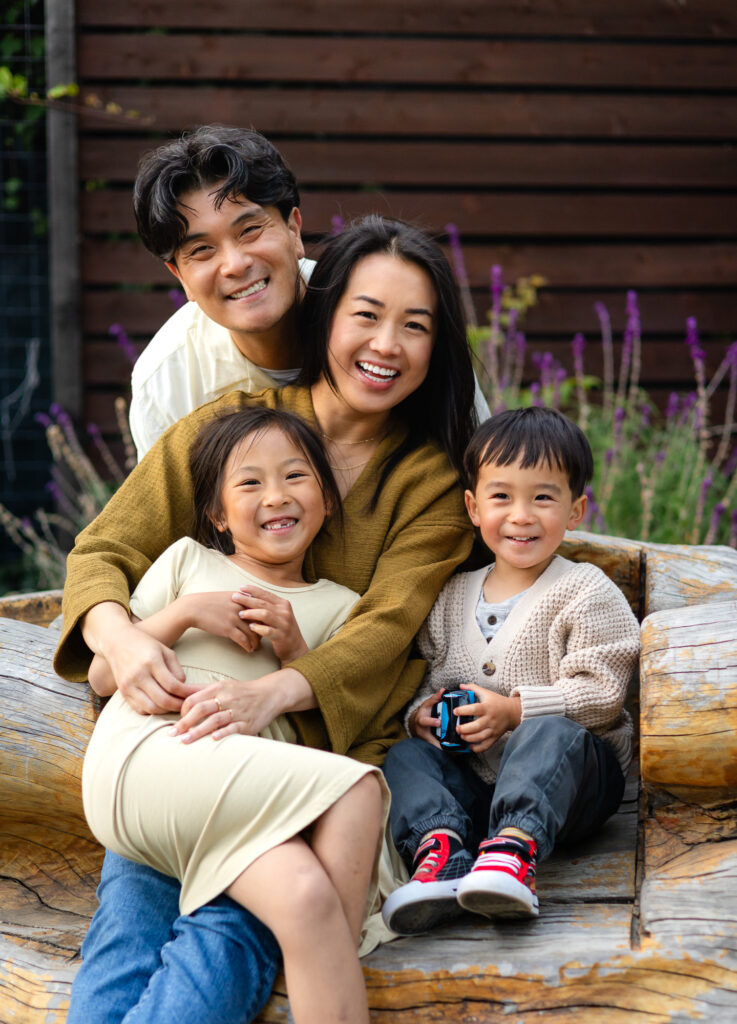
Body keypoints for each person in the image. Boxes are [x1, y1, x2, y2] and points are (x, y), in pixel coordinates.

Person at [57, 215, 478, 1024]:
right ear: (326, 316)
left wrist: (273, 692)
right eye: (365, 315)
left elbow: (383, 629)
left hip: (297, 756)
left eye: (415, 325)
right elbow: (105, 548)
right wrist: (122, 640)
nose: (385, 344)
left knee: (226, 939)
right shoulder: (233, 430)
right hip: (177, 741)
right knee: (124, 940)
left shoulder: (429, 482)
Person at [83, 406, 388, 1024]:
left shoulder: (343, 608)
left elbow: (326, 734)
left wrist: (295, 651)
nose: (276, 495)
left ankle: (313, 960)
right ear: (218, 515)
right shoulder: (187, 563)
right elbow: (102, 675)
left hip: (239, 798)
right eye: (250, 483)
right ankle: (325, 961)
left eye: (296, 476)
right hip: (154, 752)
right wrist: (185, 613)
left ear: (328, 501)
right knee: (355, 797)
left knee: (302, 896)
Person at [381, 406, 641, 935]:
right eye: (502, 496)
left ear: (576, 510)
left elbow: (603, 694)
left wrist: (516, 711)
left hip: (574, 786)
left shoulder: (586, 591)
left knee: (549, 732)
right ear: (473, 507)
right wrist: (421, 715)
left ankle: (512, 853)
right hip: (479, 791)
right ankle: (442, 849)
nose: (521, 516)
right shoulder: (453, 594)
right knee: (403, 757)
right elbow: (428, 676)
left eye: (542, 498)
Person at [129, 124, 489, 459]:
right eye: (202, 250)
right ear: (180, 276)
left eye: (250, 230)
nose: (235, 265)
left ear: (293, 229)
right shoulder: (166, 384)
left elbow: (485, 470)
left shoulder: (383, 312)